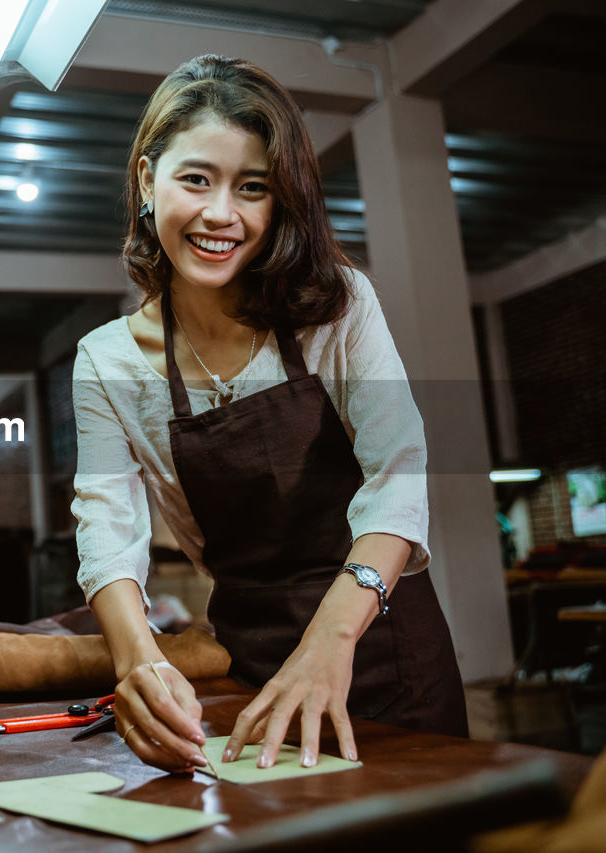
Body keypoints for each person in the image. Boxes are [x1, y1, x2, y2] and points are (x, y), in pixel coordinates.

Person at [71, 55, 467, 775]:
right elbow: (106, 530)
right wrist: (139, 664)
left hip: (383, 646)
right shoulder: (107, 363)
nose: (223, 214)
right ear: (146, 182)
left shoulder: (336, 305)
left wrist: (329, 644)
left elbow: (399, 475)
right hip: (250, 659)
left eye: (253, 188)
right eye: (197, 179)